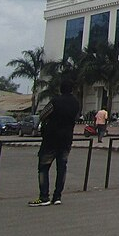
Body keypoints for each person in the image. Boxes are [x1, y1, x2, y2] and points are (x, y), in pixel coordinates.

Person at [29, 79, 81, 207]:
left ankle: (44, 196)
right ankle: (57, 196)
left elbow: (43, 115)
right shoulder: (76, 103)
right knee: (61, 168)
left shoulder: (55, 101)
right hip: (66, 139)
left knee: (43, 167)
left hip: (51, 139)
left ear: (60, 89)